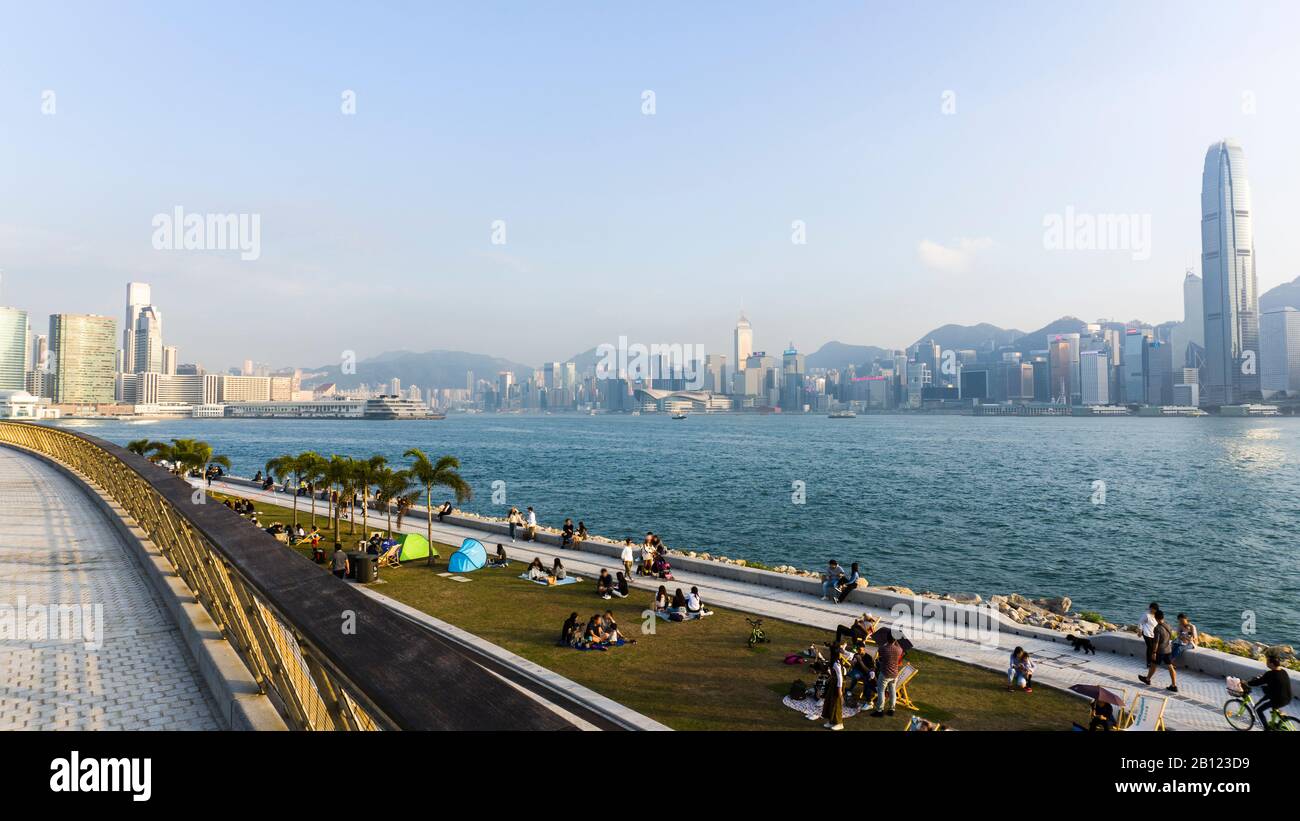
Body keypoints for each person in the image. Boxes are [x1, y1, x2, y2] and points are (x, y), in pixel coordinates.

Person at [1247, 652, 1293, 730]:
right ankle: (1280, 721)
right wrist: (1265, 680)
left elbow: (1257, 683)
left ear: (1271, 664)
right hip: (1288, 698)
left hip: (1277, 699)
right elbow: (1274, 681)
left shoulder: (1270, 674)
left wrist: (1246, 683)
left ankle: (1267, 728)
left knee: (1257, 709)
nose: (1266, 663)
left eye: (1267, 662)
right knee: (1274, 707)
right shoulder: (1283, 671)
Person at [1138, 609, 1177, 692]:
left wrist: (1154, 652)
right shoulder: (1168, 625)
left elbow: (1156, 642)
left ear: (1156, 618)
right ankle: (1174, 685)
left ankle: (1147, 679)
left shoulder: (1157, 628)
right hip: (1168, 649)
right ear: (1163, 617)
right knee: (1170, 667)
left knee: (1153, 664)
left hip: (1160, 651)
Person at [872, 632, 905, 716]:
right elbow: (898, 647)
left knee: (881, 691)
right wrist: (896, 641)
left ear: (887, 639)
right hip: (894, 674)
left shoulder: (883, 648)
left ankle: (879, 710)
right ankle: (892, 709)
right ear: (895, 640)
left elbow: (880, 657)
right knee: (892, 691)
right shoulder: (899, 649)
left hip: (885, 673)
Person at [821, 642, 845, 730]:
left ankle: (839, 723)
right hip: (833, 682)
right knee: (830, 701)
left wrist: (839, 690)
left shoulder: (836, 663)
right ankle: (831, 721)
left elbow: (840, 677)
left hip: (838, 684)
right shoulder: (834, 661)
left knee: (836, 703)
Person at [1138, 601, 1159, 668]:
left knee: (1154, 648)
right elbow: (1140, 622)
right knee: (1150, 647)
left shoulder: (1157, 615)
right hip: (1146, 633)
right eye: (1152, 608)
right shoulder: (1146, 614)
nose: (1153, 610)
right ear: (1150, 608)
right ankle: (1149, 663)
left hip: (1154, 633)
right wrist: (1140, 631)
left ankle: (1154, 661)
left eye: (1155, 609)